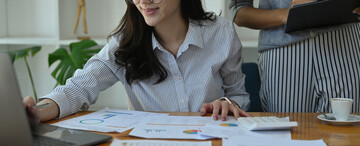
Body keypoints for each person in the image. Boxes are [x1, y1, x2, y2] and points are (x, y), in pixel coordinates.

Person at [24, 0, 251, 126]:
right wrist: (35, 112)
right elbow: (78, 88)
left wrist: (226, 102)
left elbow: (238, 95)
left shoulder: (221, 33)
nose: (143, 1)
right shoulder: (125, 44)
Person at [229, 0, 360, 113]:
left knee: (345, 130)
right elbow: (240, 12)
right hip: (284, 51)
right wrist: (286, 14)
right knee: (287, 134)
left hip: (343, 42)